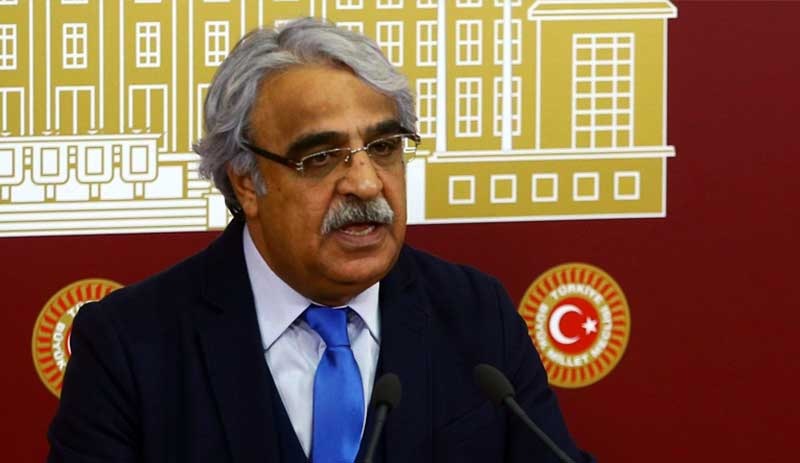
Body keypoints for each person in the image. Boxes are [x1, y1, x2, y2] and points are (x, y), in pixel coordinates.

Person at [48, 18, 594, 463]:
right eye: (321, 157)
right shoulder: (130, 345)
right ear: (247, 182)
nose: (365, 183)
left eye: (384, 147)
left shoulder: (476, 315)